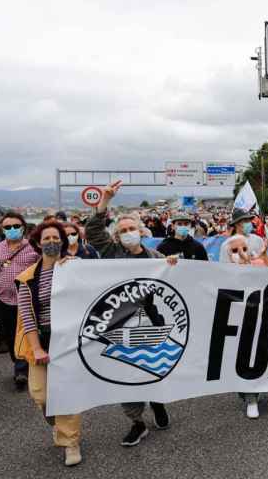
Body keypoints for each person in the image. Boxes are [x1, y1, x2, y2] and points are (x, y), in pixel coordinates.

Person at [86, 180, 180, 447]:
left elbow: (173, 281)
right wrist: (105, 200)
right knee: (126, 373)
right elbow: (92, 230)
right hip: (119, 323)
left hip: (150, 323)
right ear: (117, 235)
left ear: (141, 231)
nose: (128, 233)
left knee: (154, 367)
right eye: (123, 230)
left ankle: (158, 402)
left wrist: (171, 264)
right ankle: (137, 422)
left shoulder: (154, 256)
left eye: (132, 229)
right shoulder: (110, 252)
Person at [15, 221, 82, 467]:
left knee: (65, 394)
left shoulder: (75, 268)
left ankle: (70, 441)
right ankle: (60, 427)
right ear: (37, 243)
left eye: (56, 237)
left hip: (69, 341)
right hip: (41, 340)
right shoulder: (28, 278)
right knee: (40, 395)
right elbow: (27, 317)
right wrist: (37, 348)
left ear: (63, 241)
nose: (51, 241)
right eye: (46, 238)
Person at [0, 211, 39, 389]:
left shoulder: (34, 248)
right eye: (8, 227)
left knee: (28, 333)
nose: (12, 229)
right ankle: (19, 361)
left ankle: (21, 370)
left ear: (23, 228)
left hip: (29, 301)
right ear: (2, 229)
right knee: (11, 336)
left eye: (16, 226)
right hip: (4, 300)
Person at [220, 233, 268, 419]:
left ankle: (253, 395)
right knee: (240, 357)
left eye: (244, 249)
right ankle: (249, 397)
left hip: (258, 318)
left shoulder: (257, 263)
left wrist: (254, 262)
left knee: (258, 354)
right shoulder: (219, 272)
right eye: (235, 251)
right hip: (234, 321)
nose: (241, 253)